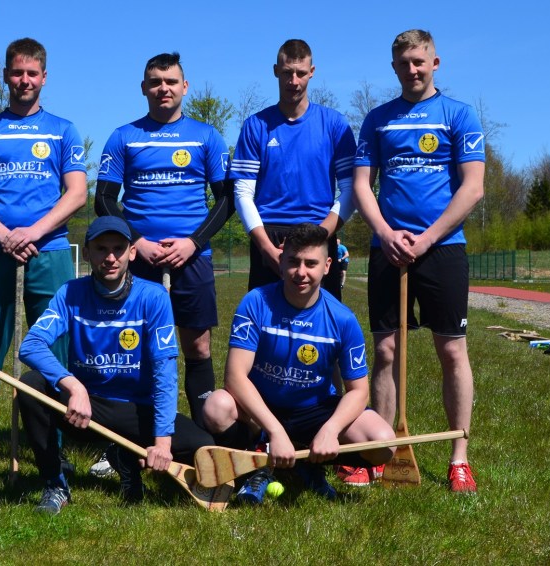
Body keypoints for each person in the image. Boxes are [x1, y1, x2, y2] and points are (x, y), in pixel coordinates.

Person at [352, 29, 485, 493]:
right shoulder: (377, 119)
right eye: (404, 63)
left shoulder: (459, 115)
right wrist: (385, 234)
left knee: (452, 351)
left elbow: (473, 188)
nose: (412, 69)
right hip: (388, 250)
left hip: (442, 248)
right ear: (394, 67)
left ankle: (459, 458)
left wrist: (427, 239)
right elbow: (362, 185)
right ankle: (378, 453)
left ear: (435, 63)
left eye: (419, 61)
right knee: (386, 351)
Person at [0, 37, 88, 481]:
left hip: (49, 254)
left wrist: (33, 232)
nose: (24, 80)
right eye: (17, 72)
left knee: (54, 355)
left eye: (32, 73)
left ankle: (54, 450)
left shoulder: (63, 130)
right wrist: (4, 236)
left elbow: (76, 193)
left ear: (44, 78)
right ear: (5, 75)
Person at [16, 216, 215, 513]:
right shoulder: (70, 293)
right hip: (86, 409)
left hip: (137, 410)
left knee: (201, 445)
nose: (110, 258)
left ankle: (124, 456)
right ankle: (55, 484)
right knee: (31, 385)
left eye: (118, 249)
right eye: (101, 249)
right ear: (86, 253)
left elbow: (165, 374)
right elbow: (31, 345)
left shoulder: (154, 297)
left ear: (132, 253)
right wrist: (73, 386)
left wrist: (162, 443)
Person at [202, 223, 396, 503]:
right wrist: (274, 430)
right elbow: (235, 377)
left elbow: (358, 390)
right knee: (216, 407)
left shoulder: (343, 319)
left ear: (327, 266)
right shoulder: (255, 302)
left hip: (314, 411)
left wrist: (330, 431)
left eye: (311, 263)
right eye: (293, 261)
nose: (301, 272)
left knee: (383, 443)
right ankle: (256, 463)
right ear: (281, 262)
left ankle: (309, 463)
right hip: (261, 408)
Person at [95, 51, 232, 431]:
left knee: (197, 347)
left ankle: (201, 438)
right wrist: (137, 242)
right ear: (144, 88)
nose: (163, 88)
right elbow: (104, 198)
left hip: (192, 259)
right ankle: (129, 439)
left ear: (184, 87)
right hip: (139, 260)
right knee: (131, 346)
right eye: (155, 82)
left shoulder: (207, 136)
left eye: (171, 81)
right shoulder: (124, 137)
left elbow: (227, 200)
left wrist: (193, 242)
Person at [230, 39, 356, 301]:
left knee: (322, 321)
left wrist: (319, 236)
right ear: (276, 71)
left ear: (312, 72)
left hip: (319, 231)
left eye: (301, 73)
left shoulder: (335, 124)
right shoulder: (255, 125)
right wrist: (266, 248)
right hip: (269, 236)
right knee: (266, 321)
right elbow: (242, 192)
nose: (294, 81)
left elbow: (351, 190)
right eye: (287, 72)